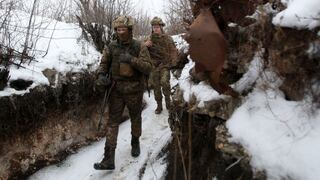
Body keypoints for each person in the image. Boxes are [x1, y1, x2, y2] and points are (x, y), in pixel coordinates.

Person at [94, 15, 153, 170]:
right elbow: (104, 63)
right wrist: (101, 75)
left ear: (130, 30)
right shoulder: (111, 47)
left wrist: (131, 60)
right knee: (112, 122)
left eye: (123, 29)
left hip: (134, 90)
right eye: (118, 29)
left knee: (135, 118)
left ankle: (135, 142)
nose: (120, 32)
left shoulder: (139, 46)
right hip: (116, 90)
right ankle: (108, 159)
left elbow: (148, 67)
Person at [145, 17, 178, 114]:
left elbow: (173, 51)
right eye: (154, 27)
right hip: (154, 67)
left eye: (157, 27)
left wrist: (173, 63)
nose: (155, 29)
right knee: (156, 87)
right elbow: (140, 50)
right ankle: (159, 106)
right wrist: (145, 45)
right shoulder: (149, 39)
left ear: (161, 27)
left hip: (165, 65)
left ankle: (168, 103)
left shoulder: (168, 38)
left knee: (164, 83)